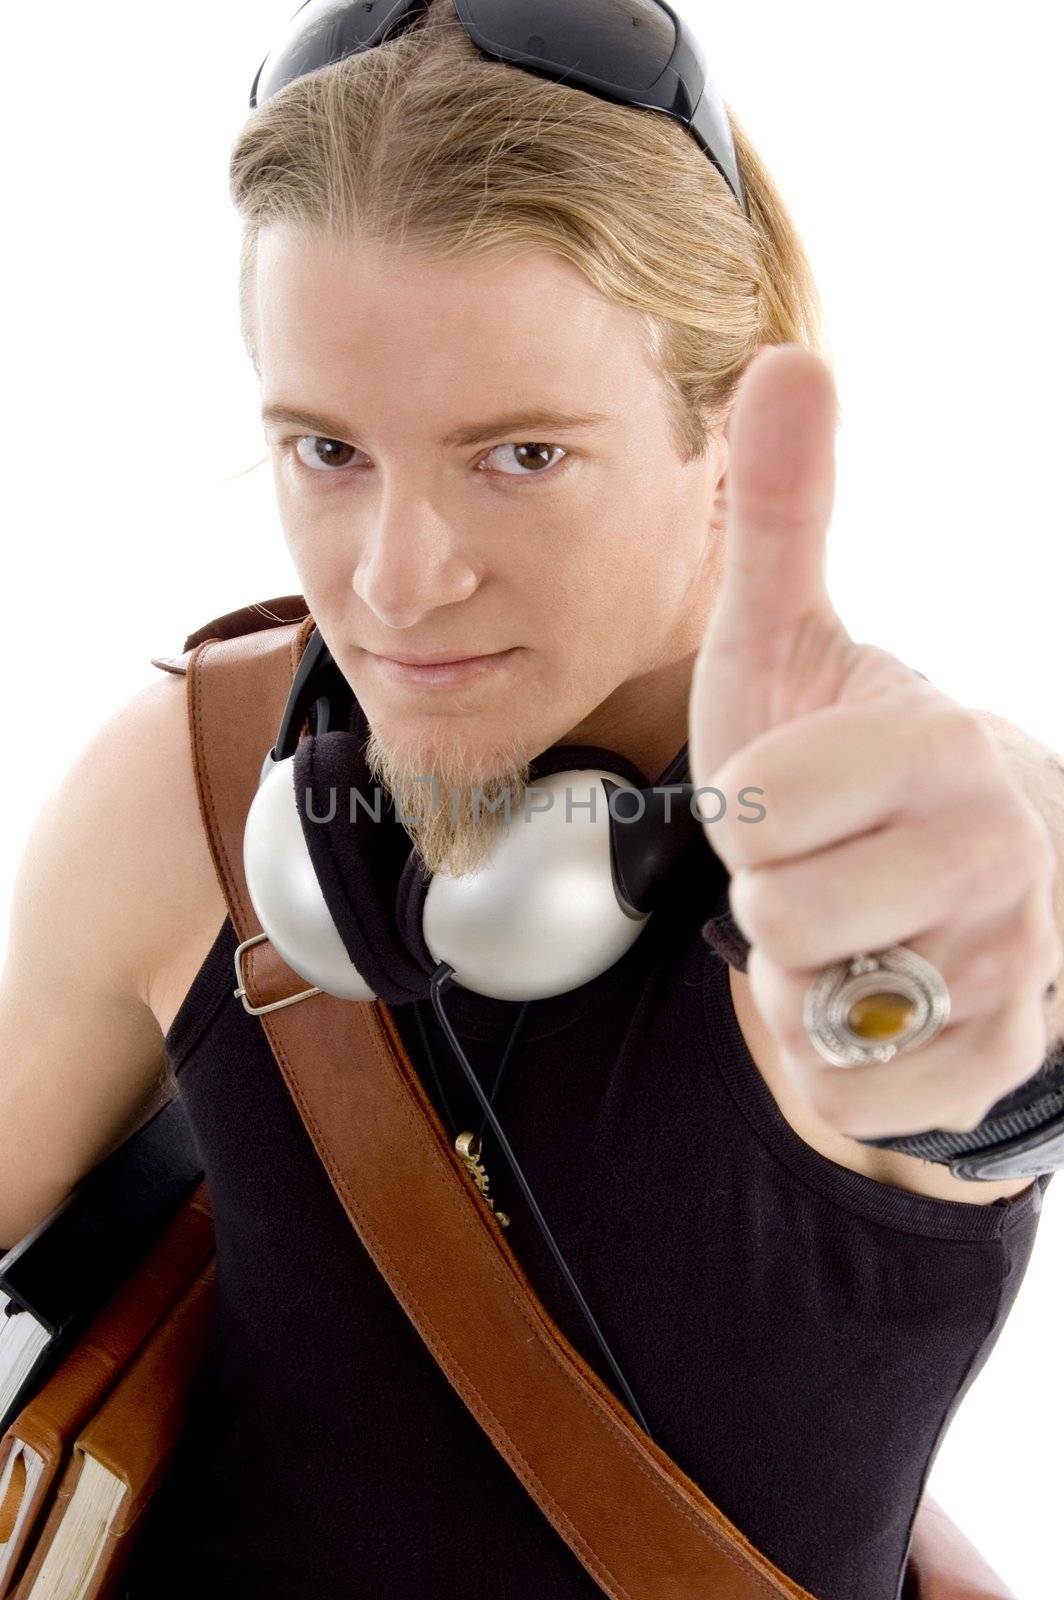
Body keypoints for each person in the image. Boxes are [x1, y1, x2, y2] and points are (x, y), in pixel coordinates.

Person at [2, 5, 1059, 1598]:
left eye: (522, 456)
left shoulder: (851, 863)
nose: (394, 581)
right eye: (329, 450)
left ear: (731, 427)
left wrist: (993, 918)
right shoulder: (200, 780)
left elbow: (992, 953)